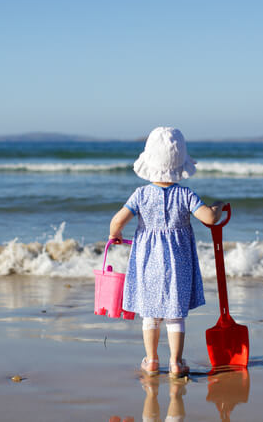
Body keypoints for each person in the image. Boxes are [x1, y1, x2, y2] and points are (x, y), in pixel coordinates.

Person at [109, 126, 224, 377]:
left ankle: (151, 360)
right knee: (174, 313)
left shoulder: (140, 194)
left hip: (148, 261)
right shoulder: (185, 194)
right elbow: (209, 219)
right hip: (178, 261)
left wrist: (115, 235)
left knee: (150, 313)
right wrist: (217, 206)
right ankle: (176, 362)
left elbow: (117, 220)